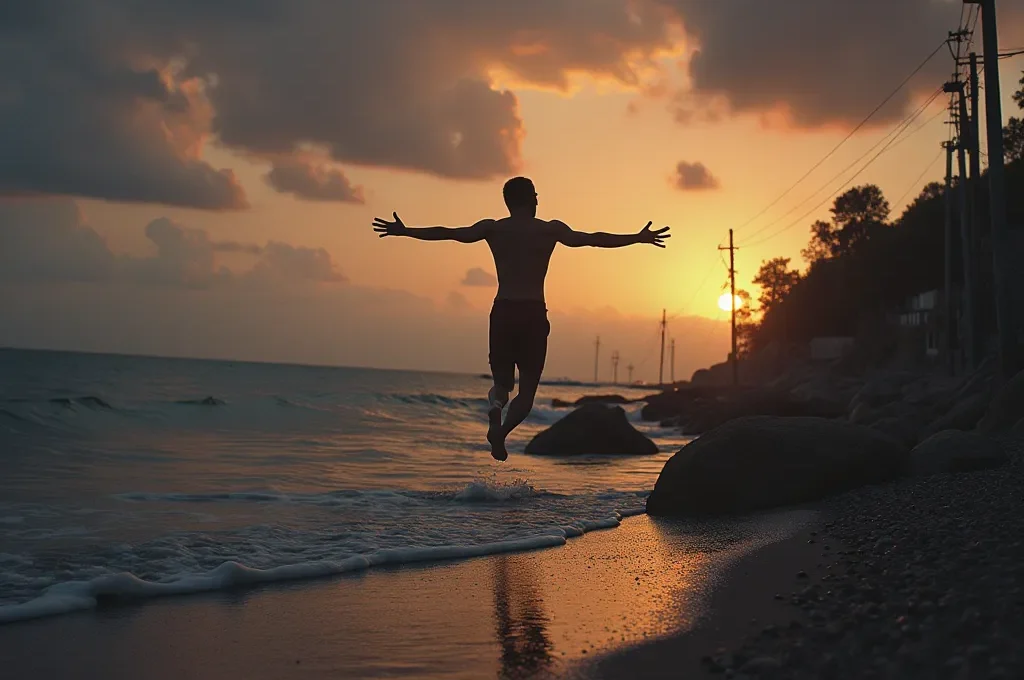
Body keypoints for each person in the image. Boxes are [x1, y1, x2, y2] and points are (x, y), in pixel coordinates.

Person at [372, 177, 670, 461]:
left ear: (508, 202)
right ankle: (500, 432)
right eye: (536, 195)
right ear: (532, 199)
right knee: (527, 391)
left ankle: (495, 405)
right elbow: (593, 239)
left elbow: (449, 232)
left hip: (503, 311)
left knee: (501, 384)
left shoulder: (493, 229)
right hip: (532, 312)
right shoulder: (549, 230)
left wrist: (407, 230)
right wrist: (637, 238)